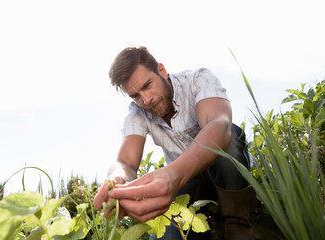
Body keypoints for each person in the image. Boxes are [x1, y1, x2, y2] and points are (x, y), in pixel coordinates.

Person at [93, 46, 255, 240]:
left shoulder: (198, 80)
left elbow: (219, 125)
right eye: (135, 95)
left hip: (224, 172)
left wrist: (174, 173)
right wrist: (116, 178)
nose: (146, 99)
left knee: (228, 140)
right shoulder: (136, 114)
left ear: (161, 70)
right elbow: (125, 163)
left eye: (147, 85)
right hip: (188, 183)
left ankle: (237, 225)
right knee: (166, 236)